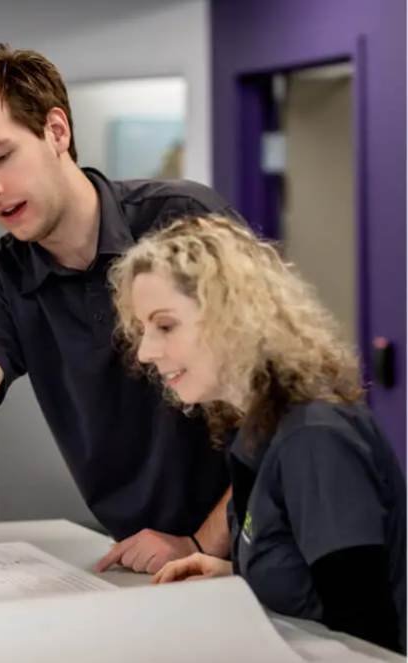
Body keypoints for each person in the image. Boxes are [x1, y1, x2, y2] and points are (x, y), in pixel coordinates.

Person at [0, 43, 247, 611]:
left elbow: (283, 397)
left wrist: (204, 538)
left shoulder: (181, 221)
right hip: (148, 568)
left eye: (0, 157)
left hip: (256, 548)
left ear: (56, 130)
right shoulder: (6, 279)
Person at [107, 213, 407, 654]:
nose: (148, 352)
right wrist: (238, 577)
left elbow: (366, 638)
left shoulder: (314, 439)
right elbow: (314, 586)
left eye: (165, 326)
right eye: (142, 331)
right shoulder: (256, 425)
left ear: (233, 316)